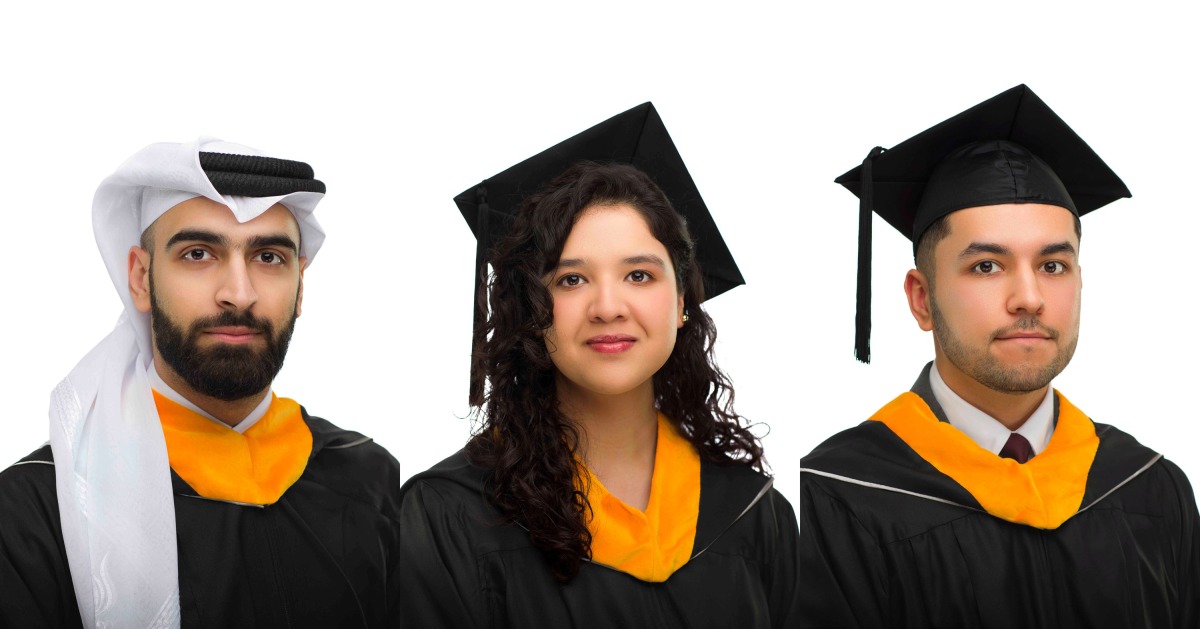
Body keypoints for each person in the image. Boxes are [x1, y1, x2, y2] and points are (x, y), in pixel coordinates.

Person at [799, 84, 1200, 627]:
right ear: (922, 299)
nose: (1029, 297)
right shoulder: (833, 499)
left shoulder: (1150, 486)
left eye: (1053, 265)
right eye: (987, 266)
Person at [398, 103, 801, 627]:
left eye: (638, 275)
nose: (608, 306)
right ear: (532, 312)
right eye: (571, 279)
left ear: (682, 301)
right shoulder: (449, 515)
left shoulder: (754, 514)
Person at [0, 140, 402, 627]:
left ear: (301, 284)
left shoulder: (367, 476)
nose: (239, 294)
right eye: (197, 253)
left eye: (270, 257)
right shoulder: (38, 509)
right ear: (141, 277)